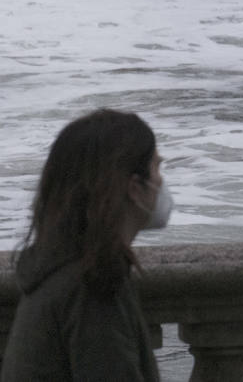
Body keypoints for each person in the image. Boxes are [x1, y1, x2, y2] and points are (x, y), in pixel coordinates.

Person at [1, 109, 172, 382]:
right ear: (135, 188)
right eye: (157, 167)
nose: (162, 181)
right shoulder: (92, 288)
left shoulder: (58, 272)